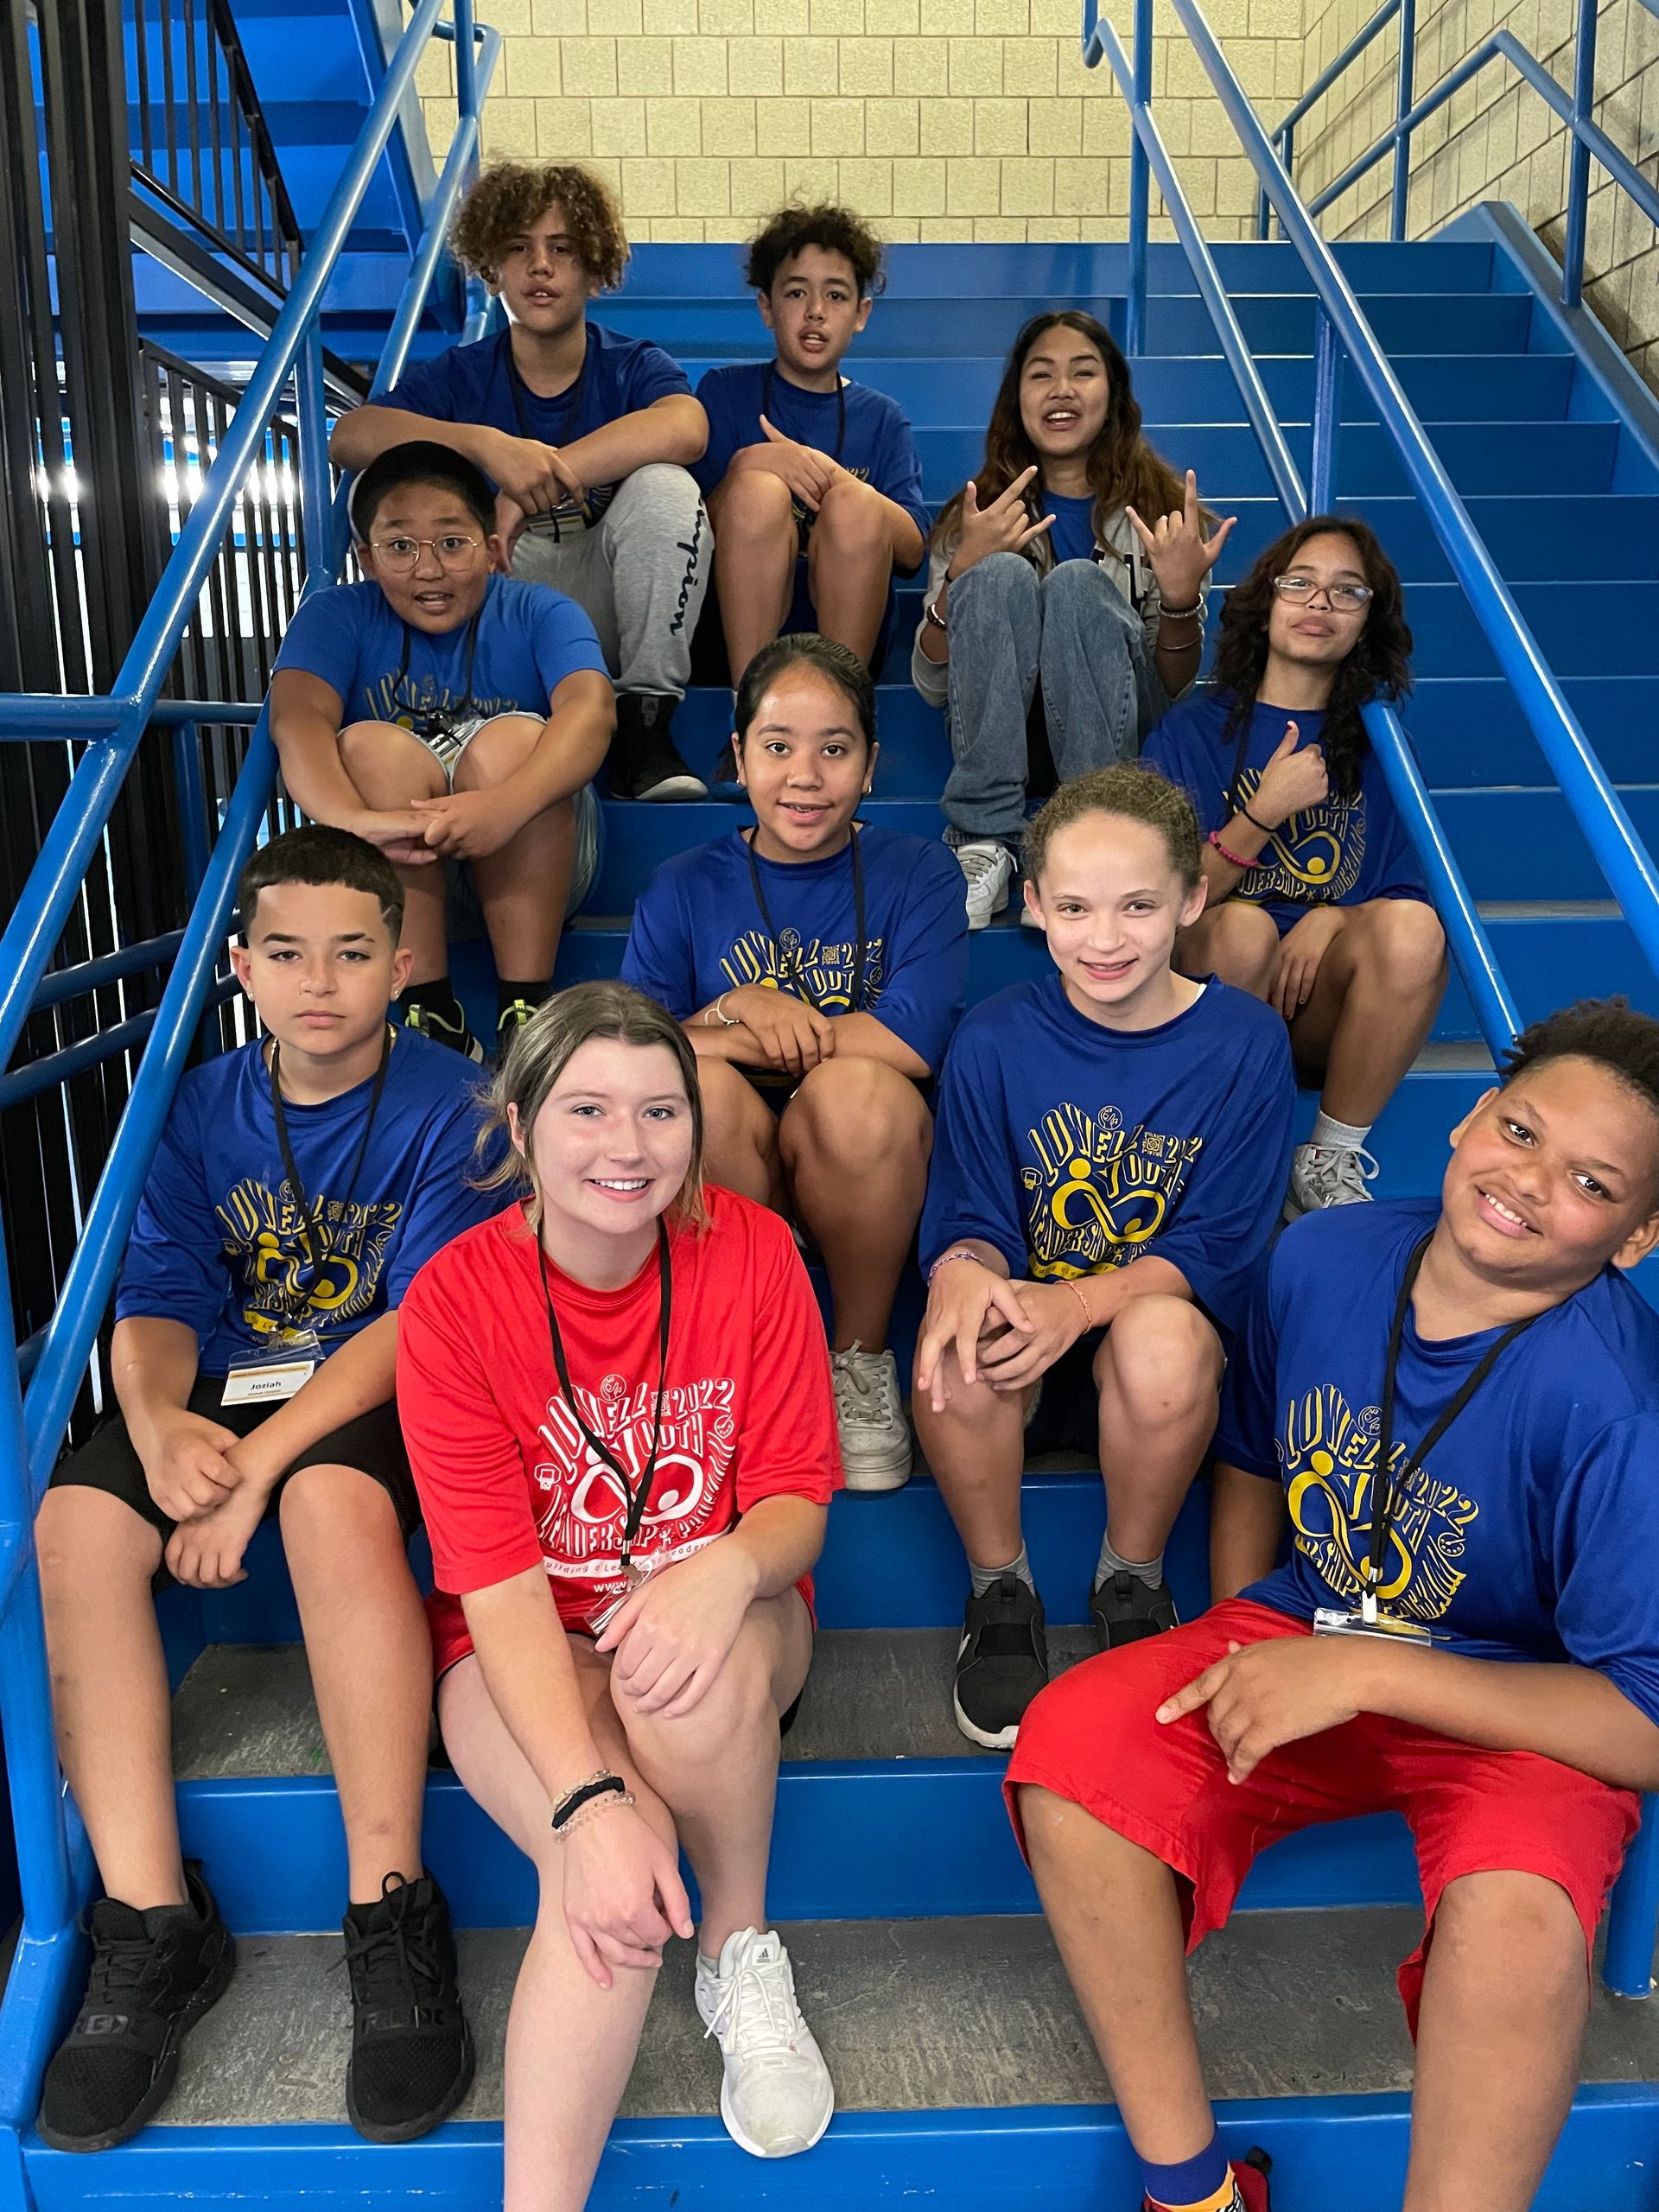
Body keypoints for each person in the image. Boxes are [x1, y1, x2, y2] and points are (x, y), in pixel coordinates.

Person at [1008, 997, 1659, 2212]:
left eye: (1589, 1181)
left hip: (1517, 1705)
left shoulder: (1625, 1408)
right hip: (1313, 1622)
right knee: (1074, 1748)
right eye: (1519, 1131)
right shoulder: (1327, 1255)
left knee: (1522, 1923)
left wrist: (1363, 1672)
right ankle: (1192, 2190)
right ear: (1468, 1117)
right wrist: (1255, 1616)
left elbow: (1644, 1722)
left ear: (1634, 1236)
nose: (1527, 1181)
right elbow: (1254, 1450)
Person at [35, 827, 504, 2155]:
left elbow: (415, 1328)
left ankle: (391, 1907)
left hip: (373, 1397)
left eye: (353, 953)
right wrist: (160, 1423)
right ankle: (149, 1925)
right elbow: (163, 1294)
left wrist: (253, 1474)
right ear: (239, 966)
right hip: (229, 1387)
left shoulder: (453, 1104)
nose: (319, 981)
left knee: (327, 1508)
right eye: (286, 953)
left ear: (403, 964)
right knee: (72, 1523)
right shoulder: (196, 1105)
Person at [396, 982, 841, 2209]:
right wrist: (589, 1804)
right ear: (522, 1122)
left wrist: (725, 1572)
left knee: (679, 1682)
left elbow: (801, 1498)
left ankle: (739, 1948)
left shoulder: (753, 1253)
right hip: (522, 1644)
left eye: (659, 1111)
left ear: (696, 1131)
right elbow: (491, 1586)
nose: (627, 1147)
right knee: (606, 1860)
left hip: (735, 1620)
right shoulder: (452, 1302)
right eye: (587, 1108)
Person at [913, 766, 1294, 1750]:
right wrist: (962, 1262)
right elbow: (975, 1208)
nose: (1107, 938)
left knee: (1165, 1337)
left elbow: (1219, 1244)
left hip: (1154, 1368)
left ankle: (1134, 1573)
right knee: (957, 1334)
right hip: (1023, 1364)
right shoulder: (995, 1037)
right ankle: (1002, 1591)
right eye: (1075, 906)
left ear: (1193, 899)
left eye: (1138, 906)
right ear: (1032, 906)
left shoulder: (1246, 1042)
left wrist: (1078, 1305)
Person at [620, 635, 966, 1492]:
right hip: (739, 1161)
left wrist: (730, 1021)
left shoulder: (919, 871)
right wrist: (743, 1015)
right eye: (777, 746)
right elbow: (634, 1048)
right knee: (687, 1086)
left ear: (873, 765)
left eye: (834, 748)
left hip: (865, 1167)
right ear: (737, 756)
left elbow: (910, 1043)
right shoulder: (681, 884)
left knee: (858, 1088)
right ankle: (756, 1353)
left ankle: (857, 1360)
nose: (805, 776)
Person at [328, 162, 711, 804]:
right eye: (519, 249)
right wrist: (484, 445)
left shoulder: (631, 365)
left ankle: (645, 725)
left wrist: (537, 484)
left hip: (609, 596)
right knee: (451, 533)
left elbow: (687, 425)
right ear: (491, 268)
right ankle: (495, 728)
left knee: (667, 487)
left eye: (562, 250)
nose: (540, 267)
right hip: (513, 599)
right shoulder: (464, 374)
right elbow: (351, 437)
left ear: (593, 265)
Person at [1141, 514, 1447, 1217]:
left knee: (1413, 932)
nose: (1319, 604)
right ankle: (1225, 1147)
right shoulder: (1193, 728)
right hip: (1208, 982)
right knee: (1244, 930)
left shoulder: (1381, 749)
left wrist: (1334, 915)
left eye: (1348, 592)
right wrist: (1260, 815)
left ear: (1368, 623)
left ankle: (1328, 1156)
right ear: (1267, 602)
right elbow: (1157, 903)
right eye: (1300, 583)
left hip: (1316, 1003)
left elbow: (1409, 900)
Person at [270, 442, 615, 1061]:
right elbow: (297, 722)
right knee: (371, 746)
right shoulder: (334, 615)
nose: (428, 570)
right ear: (367, 558)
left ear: (491, 549)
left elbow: (592, 712)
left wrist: (503, 808)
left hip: (536, 856)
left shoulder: (541, 610)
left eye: (452, 544)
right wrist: (357, 825)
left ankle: (526, 1010)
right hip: (396, 865)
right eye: (401, 547)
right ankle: (431, 1014)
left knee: (515, 737)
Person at [912, 311, 1234, 929]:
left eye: (1083, 372)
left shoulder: (1162, 512)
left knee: (1078, 584)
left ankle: (1088, 839)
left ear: (1111, 395)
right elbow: (930, 684)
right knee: (1000, 574)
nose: (1062, 389)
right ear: (1018, 399)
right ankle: (986, 842)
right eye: (1042, 375)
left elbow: (1171, 689)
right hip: (1001, 727)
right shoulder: (979, 512)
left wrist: (1178, 601)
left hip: (1109, 736)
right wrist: (960, 577)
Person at [692, 203, 929, 679]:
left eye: (836, 296)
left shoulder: (883, 418)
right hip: (730, 638)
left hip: (850, 637)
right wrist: (746, 466)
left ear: (861, 314)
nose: (816, 312)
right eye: (797, 292)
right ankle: (749, 718)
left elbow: (913, 550)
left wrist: (835, 481)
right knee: (757, 490)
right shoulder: (724, 393)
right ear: (767, 308)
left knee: (859, 506)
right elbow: (691, 530)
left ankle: (844, 712)